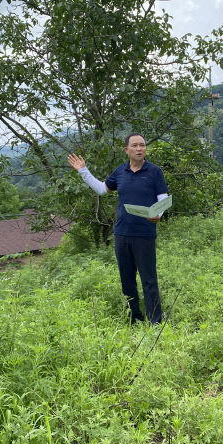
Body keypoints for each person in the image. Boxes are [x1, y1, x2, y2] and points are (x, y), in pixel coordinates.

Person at [67, 134, 168, 324]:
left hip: (145, 234)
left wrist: (158, 215)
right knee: (127, 281)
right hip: (121, 234)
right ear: (126, 150)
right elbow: (102, 189)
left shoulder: (154, 172)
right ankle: (134, 320)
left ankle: (155, 323)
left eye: (142, 145)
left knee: (149, 281)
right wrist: (83, 171)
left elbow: (163, 199)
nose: (139, 149)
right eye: (135, 145)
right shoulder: (120, 171)